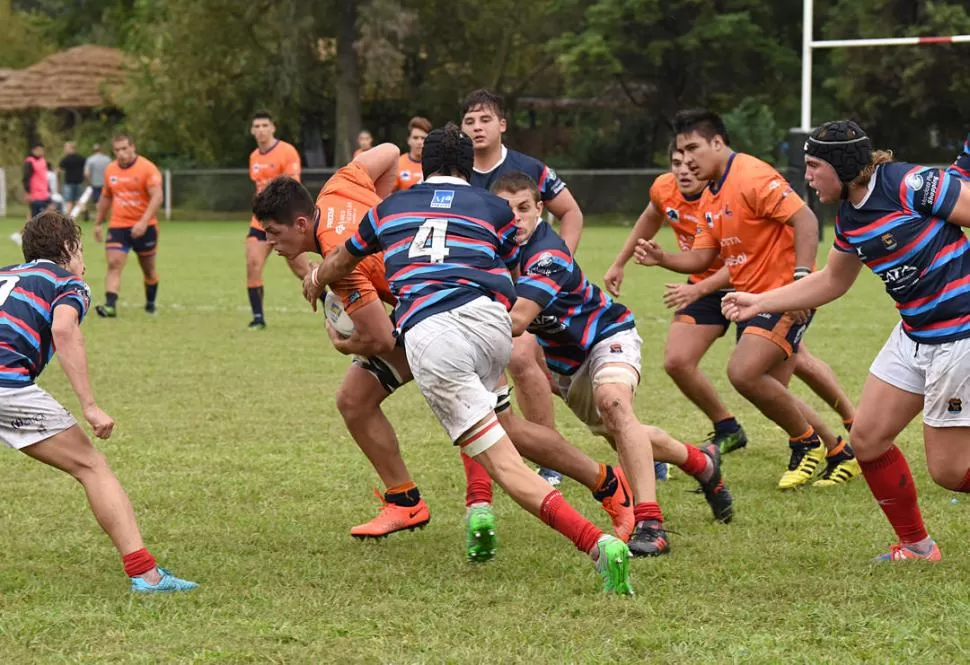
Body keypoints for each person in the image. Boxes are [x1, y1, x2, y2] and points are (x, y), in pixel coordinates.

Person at [253, 148, 635, 560]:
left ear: (301, 223)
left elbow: (381, 338)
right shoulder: (339, 185)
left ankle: (597, 506)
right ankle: (603, 482)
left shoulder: (341, 264)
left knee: (495, 441)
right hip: (468, 309)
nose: (269, 243)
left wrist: (342, 341)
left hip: (432, 320)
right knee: (362, 401)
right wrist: (381, 210)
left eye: (273, 233)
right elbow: (386, 152)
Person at [723, 121, 970, 561]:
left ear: (842, 165)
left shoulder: (910, 184)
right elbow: (832, 281)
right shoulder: (851, 216)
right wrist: (760, 301)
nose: (808, 176)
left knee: (950, 472)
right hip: (914, 333)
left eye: (814, 166)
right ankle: (917, 547)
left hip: (959, 336)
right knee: (870, 440)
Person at [494, 171, 733, 557]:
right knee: (621, 431)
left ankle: (650, 523)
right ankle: (700, 461)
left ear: (541, 210)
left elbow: (518, 321)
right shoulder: (494, 253)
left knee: (615, 403)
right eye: (508, 211)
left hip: (609, 335)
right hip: (567, 365)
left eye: (525, 209)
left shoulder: (547, 255)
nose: (517, 218)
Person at [634, 109, 861, 489]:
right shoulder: (710, 194)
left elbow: (805, 219)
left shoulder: (752, 175)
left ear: (718, 143)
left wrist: (801, 281)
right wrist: (663, 259)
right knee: (771, 387)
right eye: (681, 152)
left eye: (694, 148)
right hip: (753, 301)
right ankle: (839, 451)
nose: (687, 160)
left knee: (743, 372)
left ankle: (806, 443)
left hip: (784, 294)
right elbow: (704, 258)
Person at [0, 211, 196, 591]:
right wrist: (89, 405)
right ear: (69, 248)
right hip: (7, 384)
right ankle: (146, 574)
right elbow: (63, 328)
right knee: (92, 466)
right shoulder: (67, 282)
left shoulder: (5, 273)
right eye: (81, 249)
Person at [462, 88, 585, 486]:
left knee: (522, 359)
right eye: (469, 121)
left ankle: (551, 460)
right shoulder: (459, 173)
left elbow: (571, 212)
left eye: (485, 119)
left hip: (531, 288)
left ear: (502, 124)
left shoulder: (529, 167)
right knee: (560, 378)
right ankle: (636, 443)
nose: (477, 127)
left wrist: (552, 267)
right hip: (488, 287)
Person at [246, 111, 309, 330]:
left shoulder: (287, 151)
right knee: (253, 265)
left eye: (265, 125)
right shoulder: (254, 156)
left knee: (302, 271)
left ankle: (330, 305)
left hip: (282, 223)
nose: (261, 129)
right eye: (257, 126)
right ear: (252, 130)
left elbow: (291, 188)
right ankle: (258, 318)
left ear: (273, 128)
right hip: (259, 224)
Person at [92, 135, 163, 318]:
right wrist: (98, 223)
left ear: (133, 147)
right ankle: (110, 306)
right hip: (119, 225)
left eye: (124, 149)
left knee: (149, 270)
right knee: (114, 264)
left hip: (145, 227)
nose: (121, 154)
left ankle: (150, 303)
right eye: (117, 150)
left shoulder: (147, 168)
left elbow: (157, 197)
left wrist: (144, 222)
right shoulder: (110, 170)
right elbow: (106, 196)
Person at [394, 116, 431, 191]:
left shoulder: (436, 165)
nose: (419, 142)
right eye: (415, 138)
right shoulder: (398, 164)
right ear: (408, 140)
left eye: (423, 138)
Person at [84, 143, 112, 219]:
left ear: (93, 151)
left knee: (97, 201)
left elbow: (86, 173)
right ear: (101, 150)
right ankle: (106, 217)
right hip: (106, 183)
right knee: (107, 199)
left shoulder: (90, 159)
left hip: (95, 183)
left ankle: (100, 217)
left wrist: (90, 181)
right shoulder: (107, 159)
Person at [23, 144, 51, 218]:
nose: (41, 152)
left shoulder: (43, 161)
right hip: (35, 194)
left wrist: (49, 189)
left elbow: (44, 177)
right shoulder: (29, 161)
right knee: (36, 217)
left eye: (42, 150)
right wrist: (28, 192)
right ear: (33, 150)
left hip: (44, 193)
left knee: (45, 215)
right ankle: (30, 228)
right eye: (39, 150)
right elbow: (26, 178)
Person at [59, 142, 87, 215]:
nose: (65, 150)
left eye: (66, 148)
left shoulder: (65, 159)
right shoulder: (81, 158)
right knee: (79, 200)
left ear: (70, 148)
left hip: (69, 183)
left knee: (69, 201)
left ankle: (68, 216)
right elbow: (85, 170)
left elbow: (60, 170)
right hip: (79, 182)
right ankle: (85, 214)